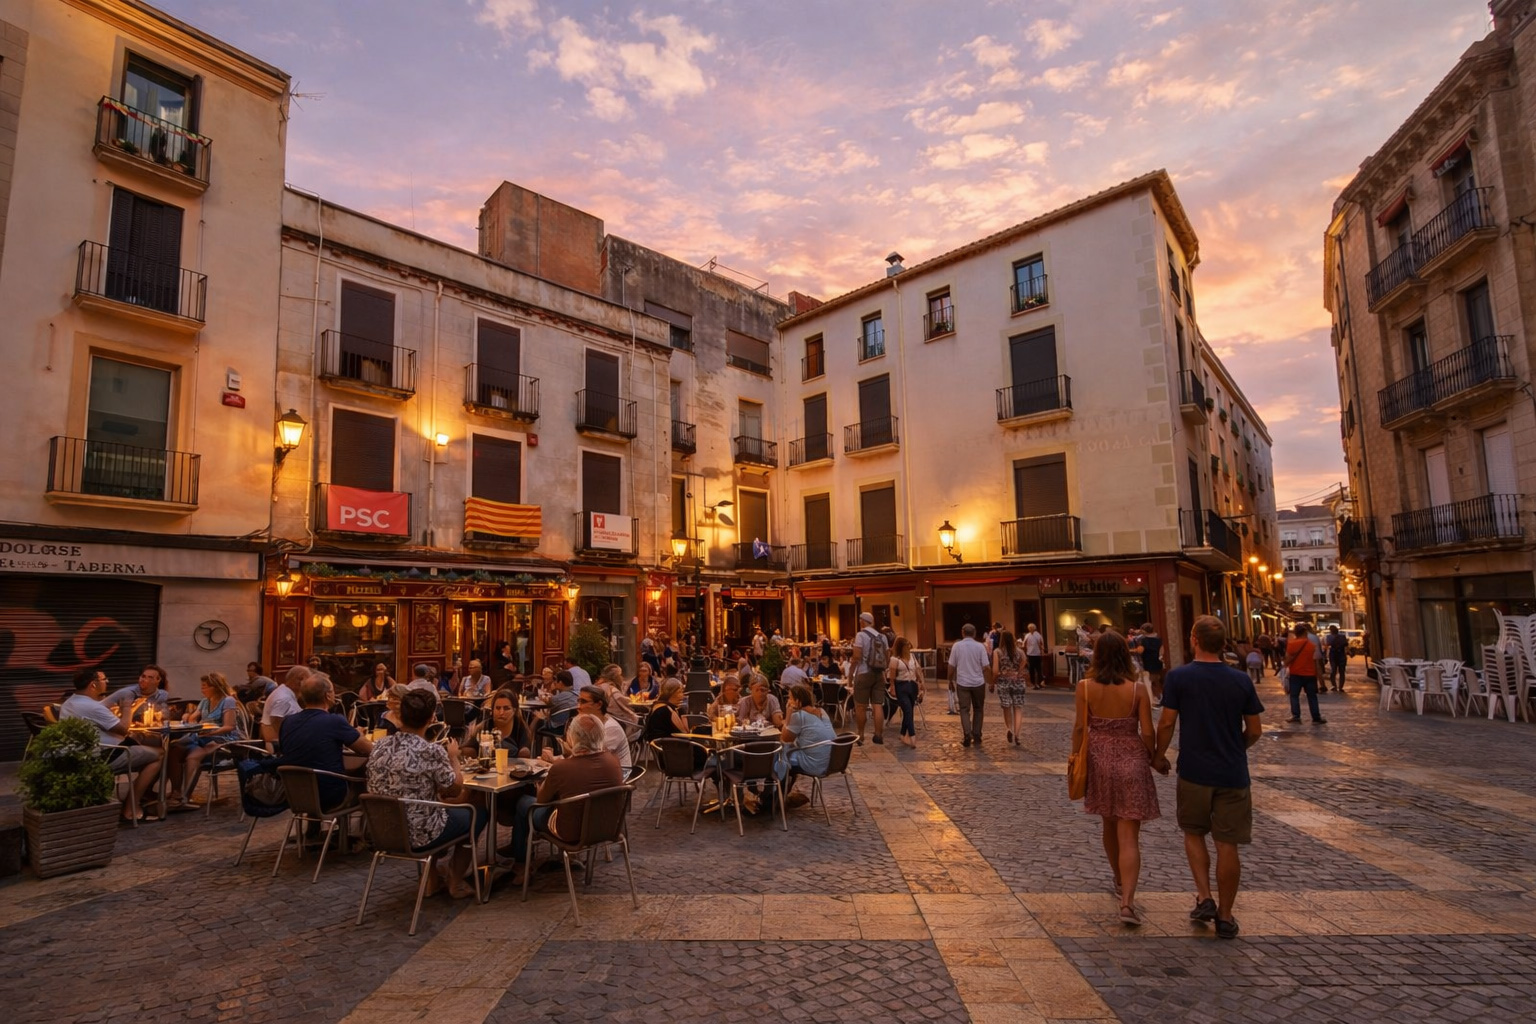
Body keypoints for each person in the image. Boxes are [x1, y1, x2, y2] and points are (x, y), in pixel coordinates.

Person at [1154, 615, 1265, 940]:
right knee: (1228, 844)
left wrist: (1159, 756)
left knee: (1193, 832)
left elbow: (1167, 722)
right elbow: (1255, 730)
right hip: (1232, 772)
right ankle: (1226, 916)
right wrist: (1236, 747)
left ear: (1194, 640)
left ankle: (1204, 896)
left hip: (1194, 770)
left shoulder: (1179, 677)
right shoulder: (1240, 680)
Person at [1071, 631, 1161, 927]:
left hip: (1099, 760)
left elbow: (1080, 729)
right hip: (1131, 758)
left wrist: (1075, 760)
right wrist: (1154, 757)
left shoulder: (1084, 687)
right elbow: (1147, 732)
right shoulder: (1137, 690)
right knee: (1129, 834)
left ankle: (1118, 878)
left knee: (1108, 823)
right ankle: (1127, 902)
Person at [367, 688, 482, 899]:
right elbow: (453, 789)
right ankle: (455, 881)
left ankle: (431, 877)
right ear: (431, 718)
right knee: (475, 814)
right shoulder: (431, 750)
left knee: (433, 810)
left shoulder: (379, 746)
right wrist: (454, 758)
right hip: (419, 834)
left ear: (400, 715)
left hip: (383, 831)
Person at [506, 713, 623, 880]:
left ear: (572, 737)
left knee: (524, 803)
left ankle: (521, 864)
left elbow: (541, 800)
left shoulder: (562, 768)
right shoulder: (613, 761)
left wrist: (542, 781)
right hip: (607, 827)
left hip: (569, 832)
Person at [61, 668, 164, 822]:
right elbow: (123, 729)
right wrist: (127, 706)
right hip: (104, 756)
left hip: (82, 755)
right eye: (104, 679)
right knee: (159, 754)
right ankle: (131, 808)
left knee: (143, 750)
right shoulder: (93, 707)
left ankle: (141, 795)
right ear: (93, 685)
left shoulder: (69, 703)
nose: (107, 682)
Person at [277, 674, 373, 809]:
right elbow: (368, 750)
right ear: (328, 695)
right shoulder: (334, 721)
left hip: (295, 793)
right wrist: (358, 734)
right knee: (364, 776)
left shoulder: (288, 722)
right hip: (330, 795)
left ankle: (315, 826)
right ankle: (363, 827)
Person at [165, 671, 242, 808]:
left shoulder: (228, 700)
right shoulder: (205, 701)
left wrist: (209, 732)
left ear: (216, 687)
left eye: (205, 686)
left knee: (193, 756)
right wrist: (188, 716)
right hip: (203, 737)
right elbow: (194, 717)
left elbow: (229, 726)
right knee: (174, 749)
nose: (202, 689)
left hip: (222, 738)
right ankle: (175, 792)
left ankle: (185, 796)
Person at [780, 683, 836, 807]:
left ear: (797, 701)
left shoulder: (798, 715)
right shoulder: (822, 712)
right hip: (831, 761)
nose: (788, 701)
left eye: (790, 698)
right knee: (787, 755)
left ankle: (775, 797)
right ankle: (782, 795)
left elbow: (785, 738)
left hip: (814, 763)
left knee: (780, 756)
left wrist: (788, 713)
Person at [561, 686, 631, 773]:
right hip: (593, 768)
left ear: (598, 704)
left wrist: (568, 751)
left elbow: (592, 758)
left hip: (615, 776)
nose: (578, 707)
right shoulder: (585, 723)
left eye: (583, 702)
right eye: (578, 701)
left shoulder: (611, 728)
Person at [948, 623, 992, 747]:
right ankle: (977, 734)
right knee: (978, 709)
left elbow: (951, 666)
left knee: (964, 709)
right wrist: (991, 682)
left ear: (962, 632)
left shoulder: (957, 646)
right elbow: (986, 666)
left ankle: (967, 733)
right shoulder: (980, 647)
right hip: (978, 682)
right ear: (974, 633)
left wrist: (950, 680)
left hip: (962, 682)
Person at [849, 612, 889, 745]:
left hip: (864, 672)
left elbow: (856, 656)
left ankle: (860, 735)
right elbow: (887, 656)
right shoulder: (882, 637)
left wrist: (851, 673)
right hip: (879, 674)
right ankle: (878, 735)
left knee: (861, 706)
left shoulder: (860, 635)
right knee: (878, 705)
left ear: (862, 622)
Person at [1283, 623, 1326, 724]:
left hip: (1295, 673)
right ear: (1305, 632)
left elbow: (1287, 659)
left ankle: (1296, 716)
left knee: (1294, 696)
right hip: (1310, 674)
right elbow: (1316, 662)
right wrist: (1318, 676)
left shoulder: (1291, 644)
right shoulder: (1311, 645)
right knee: (1312, 696)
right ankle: (1316, 718)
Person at [470, 689, 532, 756]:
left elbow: (525, 750)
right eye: (498, 708)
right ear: (492, 710)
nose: (501, 712)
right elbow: (468, 747)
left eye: (506, 708)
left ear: (514, 710)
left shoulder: (520, 727)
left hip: (514, 765)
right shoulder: (485, 726)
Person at [992, 630, 1027, 747]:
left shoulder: (997, 652)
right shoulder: (1019, 652)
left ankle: (1009, 728)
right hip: (1018, 681)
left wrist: (993, 682)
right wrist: (1018, 672)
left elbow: (995, 671)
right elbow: (1024, 660)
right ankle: (1017, 734)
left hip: (1004, 681)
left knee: (1006, 707)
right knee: (1018, 708)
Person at [886, 637, 922, 748]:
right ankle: (912, 737)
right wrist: (892, 687)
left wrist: (921, 684)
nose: (909, 647)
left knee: (909, 711)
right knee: (907, 710)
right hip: (901, 686)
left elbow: (917, 670)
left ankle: (902, 734)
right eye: (906, 645)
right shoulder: (895, 659)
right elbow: (892, 676)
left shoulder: (912, 657)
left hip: (912, 686)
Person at [261, 665, 307, 749]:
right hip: (283, 745)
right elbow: (275, 719)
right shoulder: (284, 698)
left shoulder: (287, 692)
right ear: (300, 680)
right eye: (308, 681)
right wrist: (287, 739)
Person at [1132, 623, 1166, 702]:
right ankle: (1161, 696)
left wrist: (1133, 650)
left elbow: (1140, 651)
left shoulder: (1144, 640)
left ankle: (1155, 698)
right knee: (1157, 680)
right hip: (1157, 662)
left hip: (1148, 662)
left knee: (1150, 681)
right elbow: (1162, 651)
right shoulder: (1158, 639)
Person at [1324, 626, 1349, 693]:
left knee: (1333, 670)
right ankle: (1341, 687)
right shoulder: (1342, 636)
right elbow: (1346, 645)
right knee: (1342, 671)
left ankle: (1334, 686)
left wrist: (1325, 655)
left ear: (1331, 631)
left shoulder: (1329, 637)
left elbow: (1327, 645)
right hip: (1341, 654)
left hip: (1333, 654)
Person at [1022, 624, 1047, 689]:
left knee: (1039, 669)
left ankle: (1039, 683)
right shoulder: (1027, 635)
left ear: (1034, 628)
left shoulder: (1038, 635)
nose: (1030, 629)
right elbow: (1024, 644)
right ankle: (1033, 683)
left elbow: (1041, 644)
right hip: (1030, 654)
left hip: (1037, 654)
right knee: (1031, 669)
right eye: (1029, 627)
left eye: (1032, 627)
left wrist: (1042, 651)